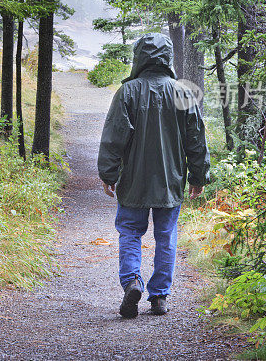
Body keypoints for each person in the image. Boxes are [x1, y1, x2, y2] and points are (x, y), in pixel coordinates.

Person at [97, 32, 210, 318]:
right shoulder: (183, 91)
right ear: (168, 57)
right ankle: (159, 297)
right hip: (170, 181)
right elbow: (196, 139)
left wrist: (108, 173)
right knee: (166, 236)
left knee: (131, 232)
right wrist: (198, 176)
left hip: (133, 181)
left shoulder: (127, 92)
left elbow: (113, 137)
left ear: (140, 57)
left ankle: (132, 281)